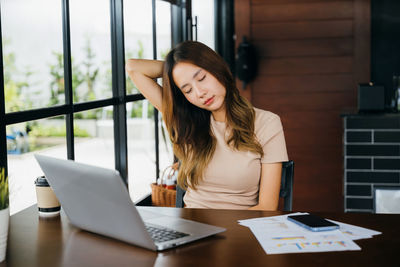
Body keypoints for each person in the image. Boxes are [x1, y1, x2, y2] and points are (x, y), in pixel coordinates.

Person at [126, 41, 288, 210]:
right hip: (190, 226)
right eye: (187, 90)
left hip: (240, 228)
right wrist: (174, 72)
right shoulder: (186, 122)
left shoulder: (267, 123)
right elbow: (133, 67)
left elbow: (267, 207)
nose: (199, 93)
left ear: (216, 68)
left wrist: (182, 70)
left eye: (201, 78)